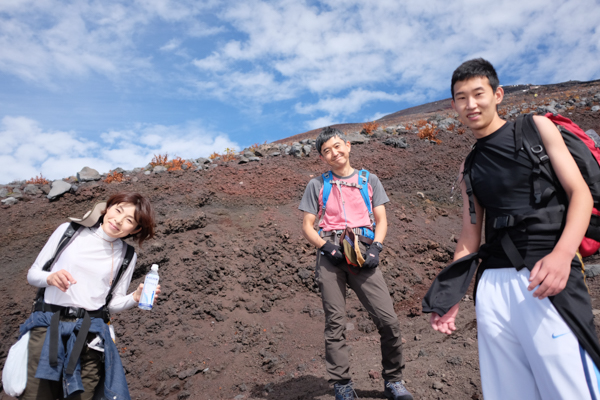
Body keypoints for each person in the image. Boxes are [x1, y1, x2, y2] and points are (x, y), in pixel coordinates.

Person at [424, 58, 600, 399]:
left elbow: (579, 193)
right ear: (453, 105)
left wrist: (563, 256)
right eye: (462, 97)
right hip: (492, 286)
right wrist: (449, 295)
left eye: (479, 93)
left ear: (498, 94)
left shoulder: (535, 128)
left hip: (546, 274)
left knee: (572, 388)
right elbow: (470, 234)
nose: (471, 104)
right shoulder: (469, 165)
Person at [299, 127, 413, 400]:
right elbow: (307, 226)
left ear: (348, 146)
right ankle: (342, 385)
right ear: (322, 157)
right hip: (330, 255)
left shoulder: (368, 179)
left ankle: (393, 381)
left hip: (363, 251)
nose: (333, 153)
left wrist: (376, 248)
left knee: (388, 321)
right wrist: (326, 247)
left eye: (337, 146)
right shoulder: (317, 184)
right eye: (326, 151)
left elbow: (382, 219)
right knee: (335, 323)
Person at [19, 192, 159, 400]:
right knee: (36, 396)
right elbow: (33, 274)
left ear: (136, 229)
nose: (118, 220)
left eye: (129, 220)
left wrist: (134, 298)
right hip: (48, 327)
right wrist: (50, 278)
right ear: (107, 208)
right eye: (118, 210)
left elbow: (110, 304)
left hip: (90, 337)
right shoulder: (69, 231)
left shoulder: (128, 256)